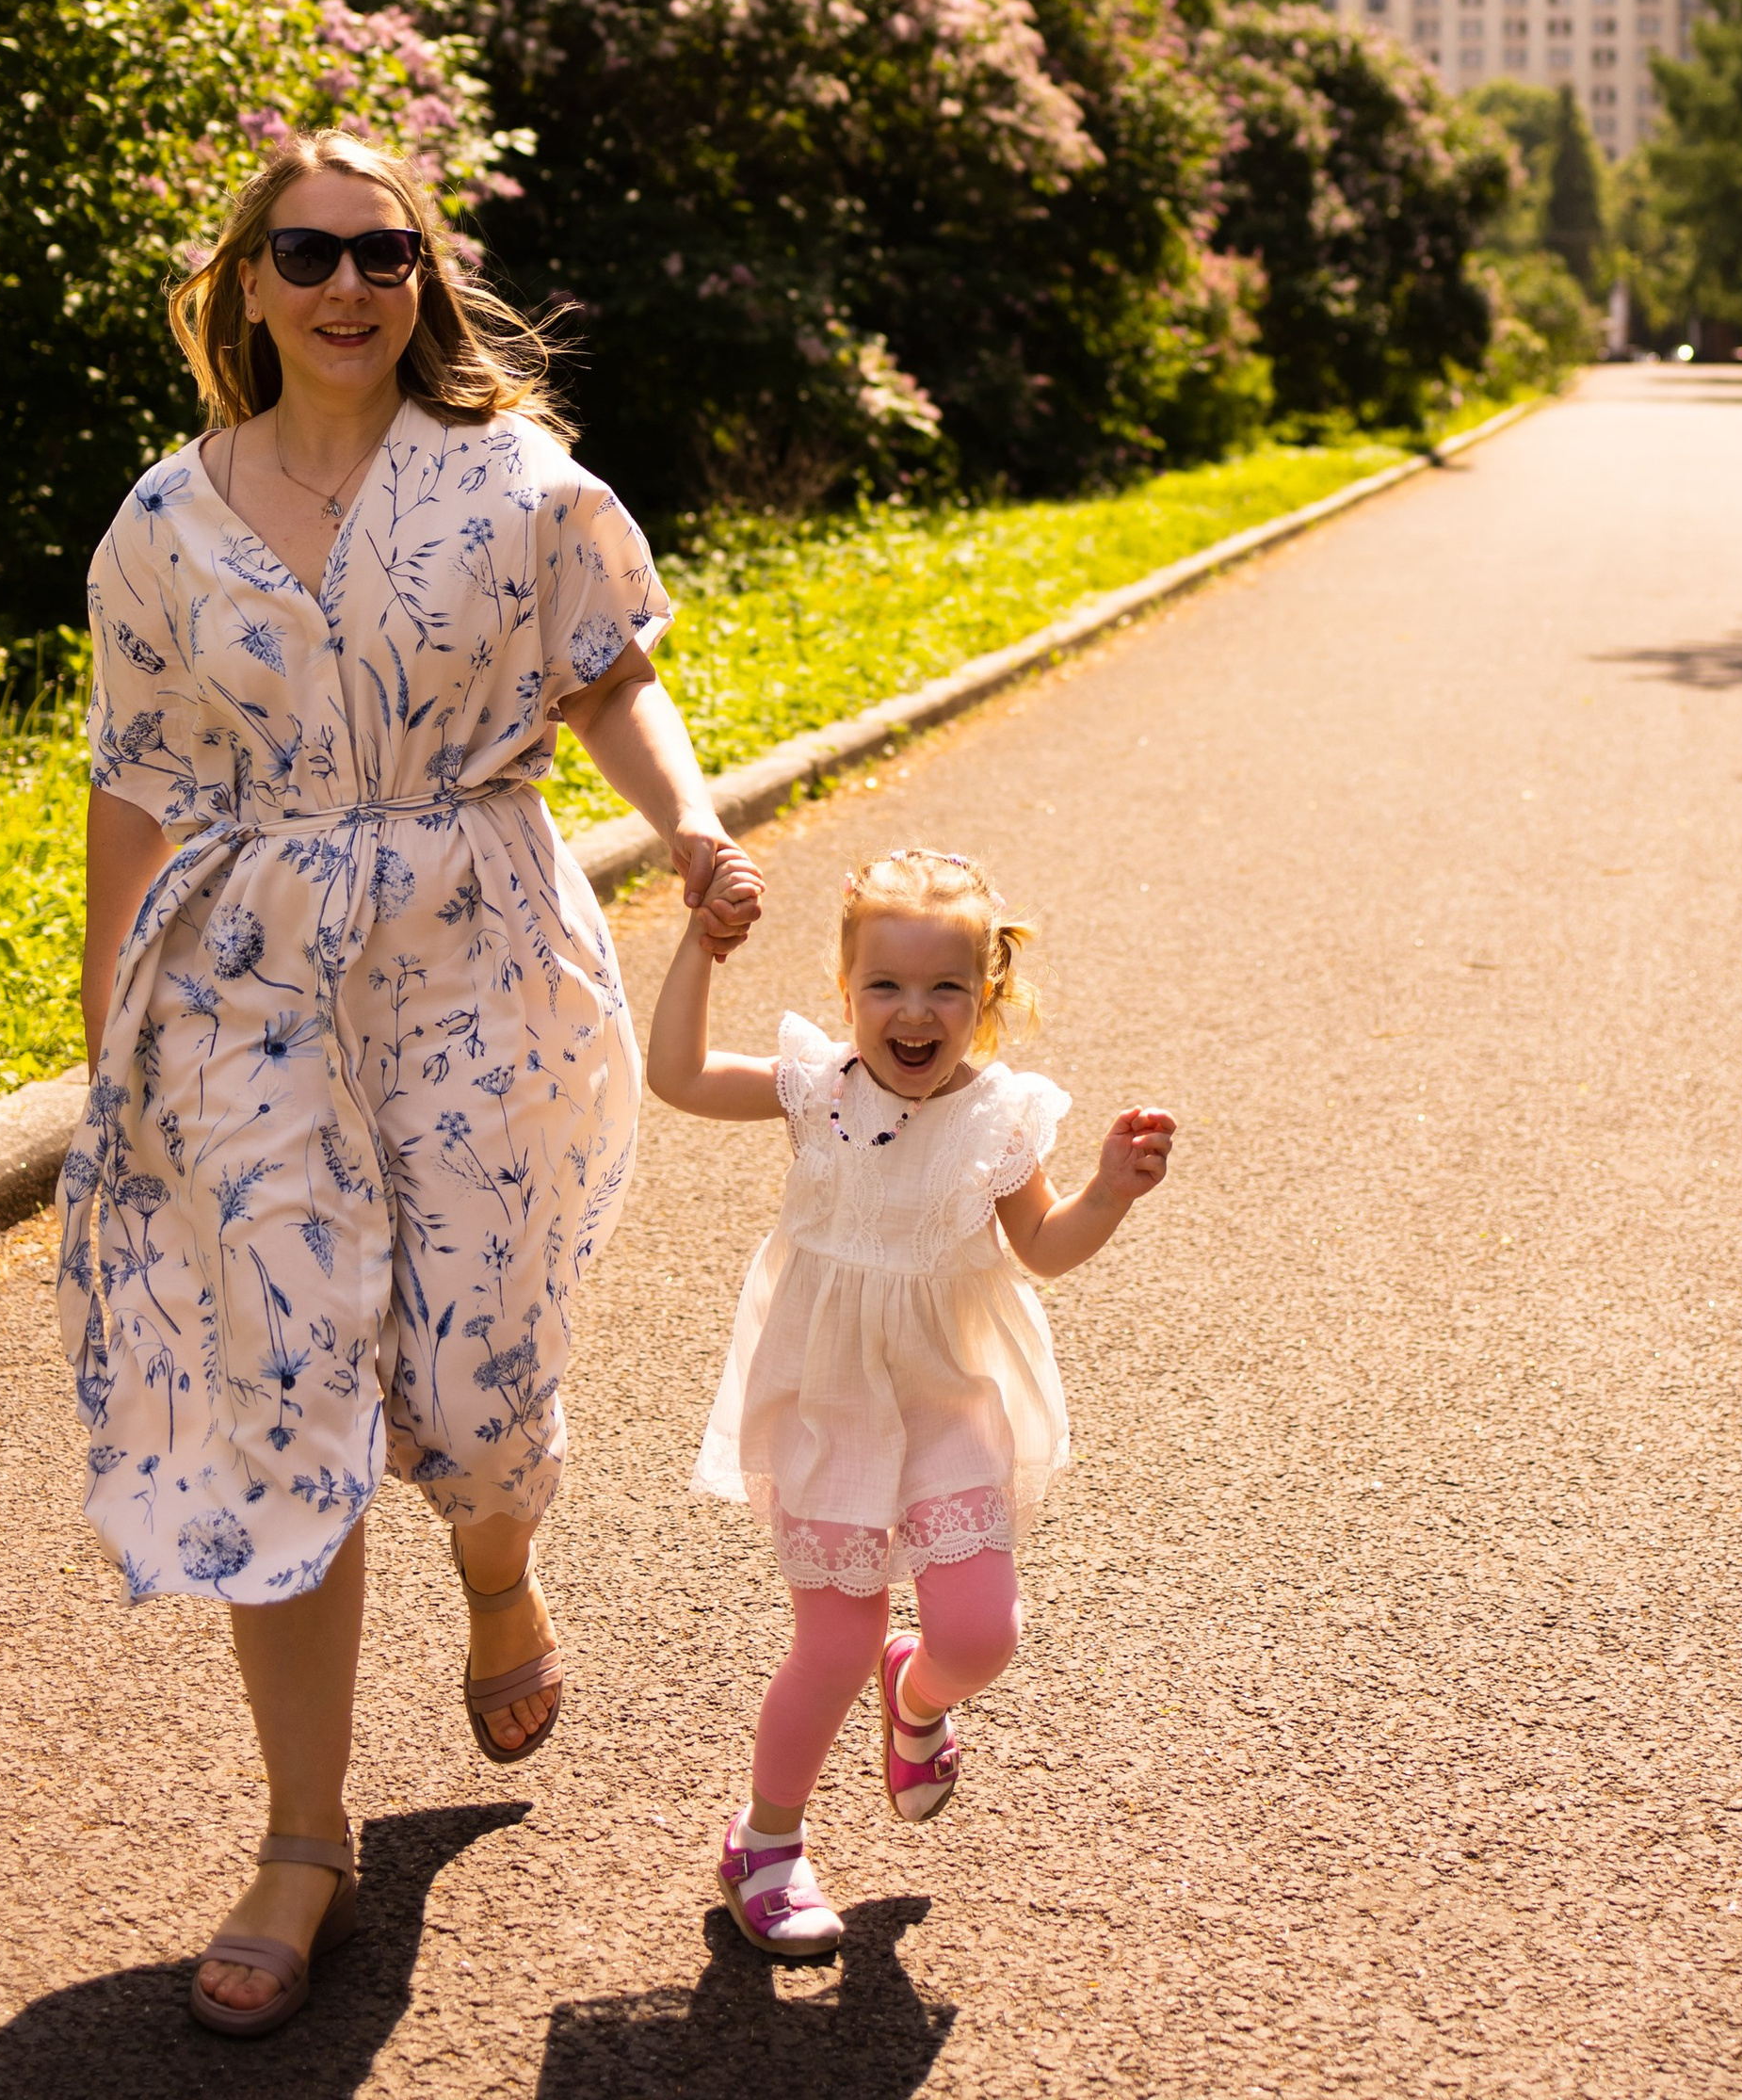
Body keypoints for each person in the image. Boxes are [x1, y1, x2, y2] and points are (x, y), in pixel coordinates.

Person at [61, 130, 761, 2038]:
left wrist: (686, 825)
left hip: (474, 951)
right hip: (243, 979)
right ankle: (304, 1835)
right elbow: (134, 778)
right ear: (250, 284)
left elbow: (608, 674)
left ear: (420, 277)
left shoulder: (512, 483)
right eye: (306, 252)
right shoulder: (161, 521)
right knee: (280, 1384)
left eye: (381, 251)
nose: (347, 282)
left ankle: (499, 1569)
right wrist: (106, 1042)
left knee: (470, 1390)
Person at [646, 844, 1175, 1958]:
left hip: (944, 1397)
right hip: (830, 1402)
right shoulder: (815, 1090)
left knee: (980, 1638)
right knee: (832, 1643)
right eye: (884, 985)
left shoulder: (998, 1121)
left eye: (945, 987)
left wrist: (1107, 1193)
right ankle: (768, 1841)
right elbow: (679, 1077)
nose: (913, 1011)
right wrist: (699, 947)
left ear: (986, 1002)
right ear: (847, 996)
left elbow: (1044, 1248)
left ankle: (920, 1695)